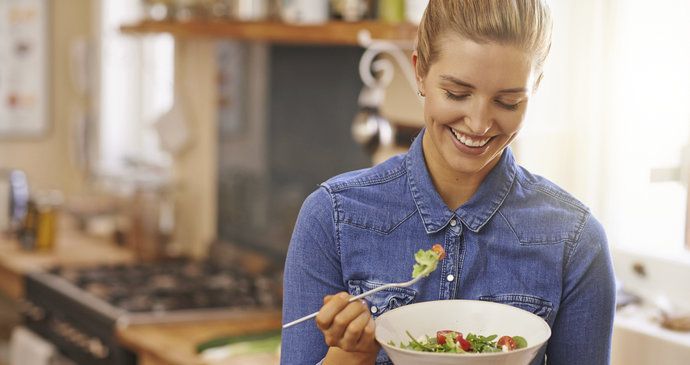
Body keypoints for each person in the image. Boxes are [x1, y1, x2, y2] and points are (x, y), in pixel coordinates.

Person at [280, 0, 616, 364]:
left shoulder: (576, 241)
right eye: (457, 94)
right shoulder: (332, 217)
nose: (478, 124)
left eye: (508, 102)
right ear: (420, 72)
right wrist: (353, 356)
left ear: (534, 89)